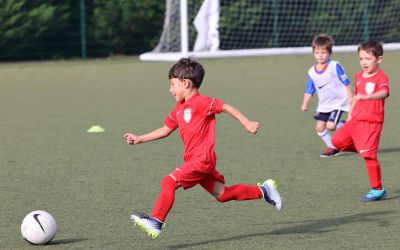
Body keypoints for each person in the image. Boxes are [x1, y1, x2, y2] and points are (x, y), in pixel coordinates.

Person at [124, 58, 282, 239]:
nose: (170, 89)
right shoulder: (178, 108)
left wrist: (246, 123)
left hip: (202, 159)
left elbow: (225, 106)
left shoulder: (202, 102)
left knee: (168, 182)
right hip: (195, 161)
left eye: (172, 84)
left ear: (186, 83)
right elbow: (166, 129)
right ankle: (265, 191)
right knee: (223, 194)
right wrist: (139, 139)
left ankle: (156, 221)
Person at [332, 40, 389, 202]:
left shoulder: (381, 76)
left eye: (368, 59)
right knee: (336, 141)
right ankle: (365, 148)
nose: (364, 62)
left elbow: (384, 92)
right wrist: (349, 118)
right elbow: (356, 99)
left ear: (379, 60)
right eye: (361, 59)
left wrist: (369, 96)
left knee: (369, 156)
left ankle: (378, 189)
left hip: (372, 122)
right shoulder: (358, 76)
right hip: (355, 120)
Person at [301, 34, 353, 157]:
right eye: (317, 52)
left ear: (329, 53)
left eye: (323, 52)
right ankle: (333, 147)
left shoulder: (335, 66)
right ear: (313, 53)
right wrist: (305, 103)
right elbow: (309, 89)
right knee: (319, 127)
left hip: (339, 102)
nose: (320, 55)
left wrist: (350, 97)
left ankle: (347, 127)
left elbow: (346, 82)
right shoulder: (312, 71)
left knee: (330, 126)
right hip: (324, 104)